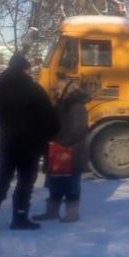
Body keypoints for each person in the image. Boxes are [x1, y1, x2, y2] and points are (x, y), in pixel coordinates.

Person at [0, 53, 59, 230]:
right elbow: (48, 115)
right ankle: (20, 217)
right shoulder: (33, 88)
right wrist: (49, 135)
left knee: (2, 176)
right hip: (30, 144)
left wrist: (6, 125)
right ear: (25, 67)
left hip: (8, 141)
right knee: (25, 181)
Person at [34, 83, 91, 223]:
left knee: (70, 183)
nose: (56, 92)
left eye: (58, 89)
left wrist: (61, 143)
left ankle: (72, 214)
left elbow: (79, 130)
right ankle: (52, 212)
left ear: (67, 91)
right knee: (55, 182)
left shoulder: (76, 106)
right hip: (59, 150)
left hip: (71, 152)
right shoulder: (64, 104)